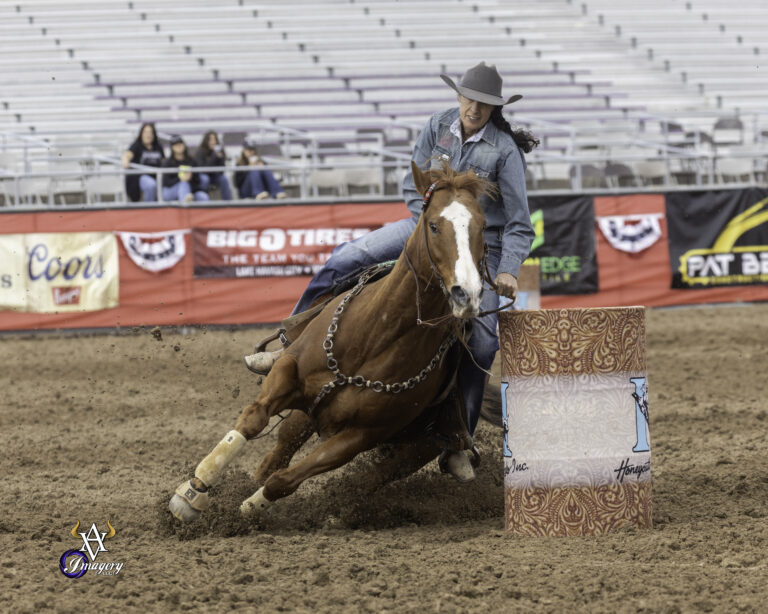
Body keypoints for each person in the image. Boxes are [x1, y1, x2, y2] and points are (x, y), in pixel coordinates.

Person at [245, 62, 537, 482]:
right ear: (459, 97)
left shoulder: (504, 150)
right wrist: (428, 227)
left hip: (479, 244)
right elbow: (410, 185)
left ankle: (459, 439)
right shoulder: (437, 125)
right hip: (426, 228)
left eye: (484, 103)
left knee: (484, 342)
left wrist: (508, 269)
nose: (474, 108)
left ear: (495, 108)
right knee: (345, 258)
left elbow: (520, 223)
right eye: (469, 99)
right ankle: (289, 346)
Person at [122, 122, 165, 202]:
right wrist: (125, 160)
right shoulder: (137, 145)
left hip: (157, 175)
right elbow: (127, 155)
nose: (148, 135)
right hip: (142, 176)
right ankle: (150, 207)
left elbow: (163, 161)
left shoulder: (158, 147)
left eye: (150, 132)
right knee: (151, 185)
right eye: (146, 132)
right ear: (141, 134)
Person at [160, 135, 209, 202]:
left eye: (180, 144)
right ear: (172, 147)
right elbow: (165, 182)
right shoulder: (167, 162)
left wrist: (190, 178)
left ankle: (186, 199)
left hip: (190, 190)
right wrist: (180, 179)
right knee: (183, 184)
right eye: (176, 145)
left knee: (203, 197)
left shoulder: (191, 161)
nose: (179, 146)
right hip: (170, 191)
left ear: (184, 145)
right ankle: (185, 204)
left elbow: (198, 181)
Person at [196, 130, 232, 200]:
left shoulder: (219, 151)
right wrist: (214, 157)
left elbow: (222, 170)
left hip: (215, 177)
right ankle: (204, 200)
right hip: (204, 177)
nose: (213, 142)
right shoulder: (201, 152)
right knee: (205, 179)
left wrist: (221, 158)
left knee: (224, 179)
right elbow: (203, 170)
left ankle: (228, 202)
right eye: (210, 140)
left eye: (215, 139)